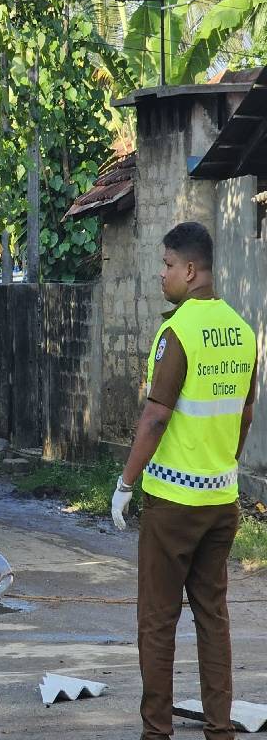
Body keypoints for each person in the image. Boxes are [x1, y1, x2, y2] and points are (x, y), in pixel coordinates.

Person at [111, 222, 257, 740]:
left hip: (173, 504)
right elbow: (244, 412)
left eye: (168, 264)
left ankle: (157, 733)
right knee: (213, 618)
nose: (161, 273)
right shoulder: (243, 332)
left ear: (191, 270)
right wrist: (225, 461)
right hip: (222, 500)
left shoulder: (177, 333)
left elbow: (154, 418)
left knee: (157, 621)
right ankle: (221, 731)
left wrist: (126, 484)